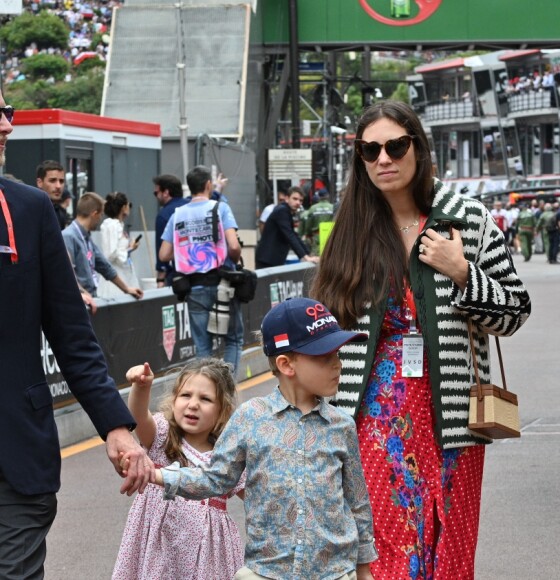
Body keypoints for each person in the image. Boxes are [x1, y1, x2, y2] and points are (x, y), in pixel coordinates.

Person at [310, 100, 531, 579]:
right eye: (370, 151)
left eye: (395, 145)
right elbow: (322, 326)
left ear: (418, 148)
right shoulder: (350, 232)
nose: (383, 159)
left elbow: (514, 313)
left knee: (449, 547)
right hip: (374, 415)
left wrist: (462, 272)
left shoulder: (467, 220)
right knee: (387, 547)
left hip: (453, 414)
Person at [0, 93, 153, 578]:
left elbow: (72, 335)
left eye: (7, 113)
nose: (7, 126)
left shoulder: (29, 209)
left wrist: (115, 426)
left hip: (16, 463)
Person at [124, 297, 378, 580]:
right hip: (267, 572)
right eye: (324, 356)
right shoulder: (250, 418)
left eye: (337, 354)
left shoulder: (341, 425)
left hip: (335, 573)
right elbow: (214, 479)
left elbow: (357, 502)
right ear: (286, 364)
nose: (337, 365)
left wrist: (364, 569)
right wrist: (158, 476)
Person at [112, 358, 245, 580]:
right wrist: (141, 387)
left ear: (223, 411)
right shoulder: (161, 436)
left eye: (205, 399)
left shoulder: (228, 455)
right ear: (173, 401)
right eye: (185, 395)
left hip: (207, 555)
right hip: (158, 545)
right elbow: (138, 416)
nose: (193, 404)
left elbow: (257, 499)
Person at [159, 165, 244, 373]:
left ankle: (207, 392)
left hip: (193, 288)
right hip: (222, 285)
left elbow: (164, 255)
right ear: (208, 185)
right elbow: (233, 246)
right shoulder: (220, 208)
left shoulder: (177, 214)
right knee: (233, 339)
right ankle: (227, 390)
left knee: (203, 348)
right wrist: (235, 256)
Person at [62, 192, 144, 299]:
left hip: (90, 298)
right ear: (94, 214)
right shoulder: (68, 237)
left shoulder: (86, 238)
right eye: (100, 215)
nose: (100, 220)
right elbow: (66, 274)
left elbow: (105, 267)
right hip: (78, 301)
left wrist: (126, 289)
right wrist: (81, 293)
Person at [255, 185, 318, 269]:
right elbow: (289, 235)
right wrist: (305, 257)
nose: (298, 203)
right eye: (295, 199)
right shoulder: (282, 210)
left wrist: (307, 254)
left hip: (272, 259)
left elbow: (293, 235)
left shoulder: (286, 211)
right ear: (287, 198)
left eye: (301, 200)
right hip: (268, 260)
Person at [99, 191, 141, 299]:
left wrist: (130, 248)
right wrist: (130, 249)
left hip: (122, 272)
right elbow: (111, 253)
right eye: (128, 205)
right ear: (123, 207)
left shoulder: (117, 225)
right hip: (116, 274)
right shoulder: (112, 225)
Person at [153, 174, 187, 288]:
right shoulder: (192, 205)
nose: (156, 197)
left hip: (178, 274)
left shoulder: (164, 215)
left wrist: (160, 279)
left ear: (166, 192)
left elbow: (162, 251)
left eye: (156, 193)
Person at [36, 159, 68, 230]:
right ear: (40, 182)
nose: (58, 186)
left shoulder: (60, 212)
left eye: (61, 181)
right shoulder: (32, 211)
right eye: (52, 180)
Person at [304, 188, 335, 256]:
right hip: (329, 236)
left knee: (316, 257)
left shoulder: (313, 208)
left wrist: (308, 234)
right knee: (329, 256)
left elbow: (308, 224)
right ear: (328, 196)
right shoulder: (332, 208)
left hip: (317, 236)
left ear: (319, 197)